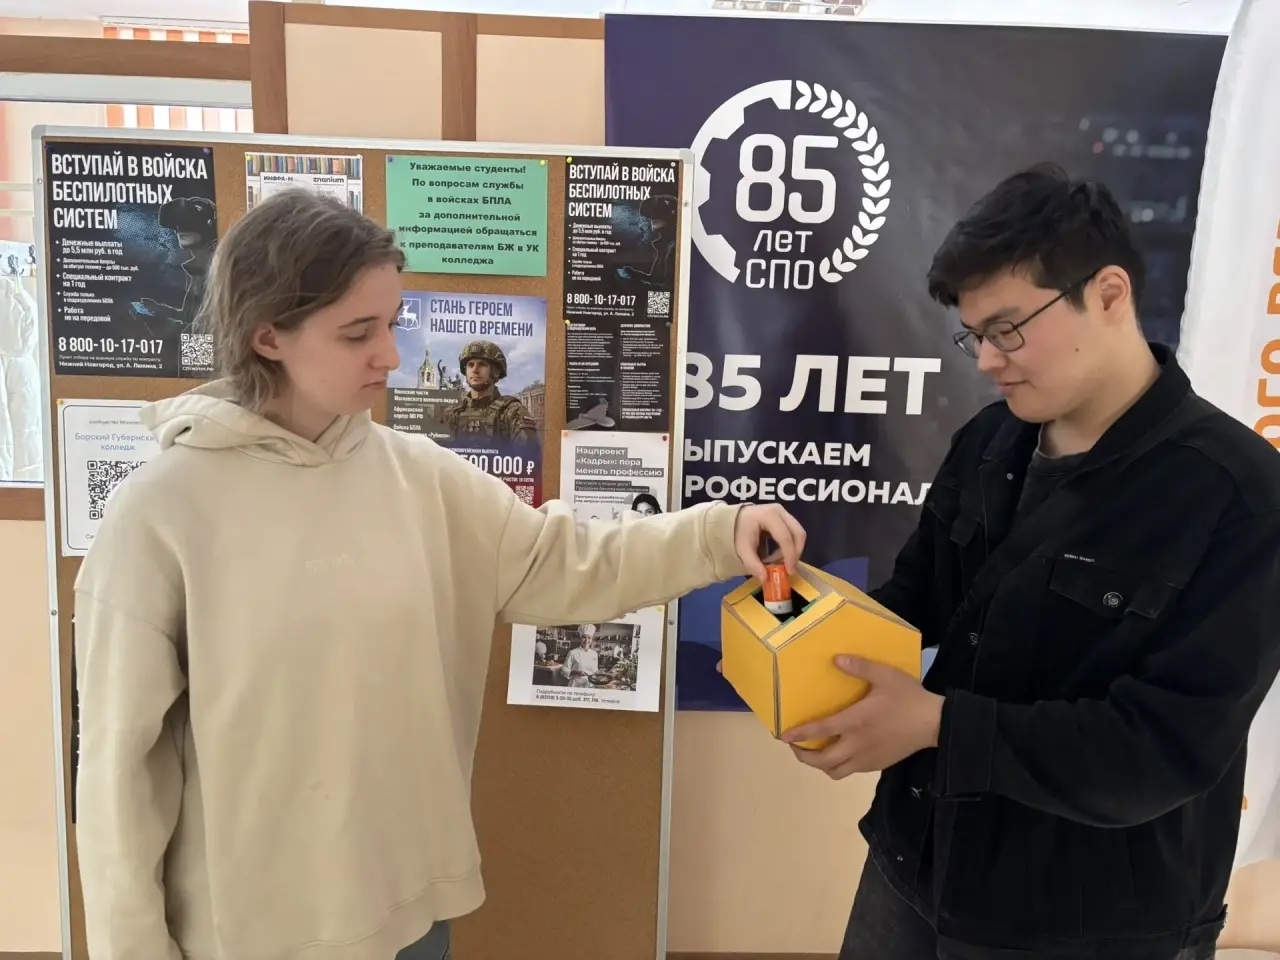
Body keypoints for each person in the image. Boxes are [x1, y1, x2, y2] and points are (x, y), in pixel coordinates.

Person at [72, 188, 807, 960]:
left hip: (412, 916)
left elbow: (566, 562)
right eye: (358, 332)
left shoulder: (421, 477)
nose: (390, 356)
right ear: (267, 336)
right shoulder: (162, 512)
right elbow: (120, 773)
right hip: (255, 936)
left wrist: (716, 533)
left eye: (393, 324)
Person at [779, 164, 1280, 960]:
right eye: (974, 335)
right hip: (918, 856)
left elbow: (1165, 747)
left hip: (1090, 917)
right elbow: (919, 598)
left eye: (1008, 328)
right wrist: (802, 625)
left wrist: (937, 723)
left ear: (1108, 294)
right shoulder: (989, 440)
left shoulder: (1239, 494)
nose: (987, 360)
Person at [438, 340, 537, 441]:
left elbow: (527, 449)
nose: (475, 370)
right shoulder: (452, 413)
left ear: (496, 372)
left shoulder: (512, 411)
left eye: (482, 364)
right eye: (470, 365)